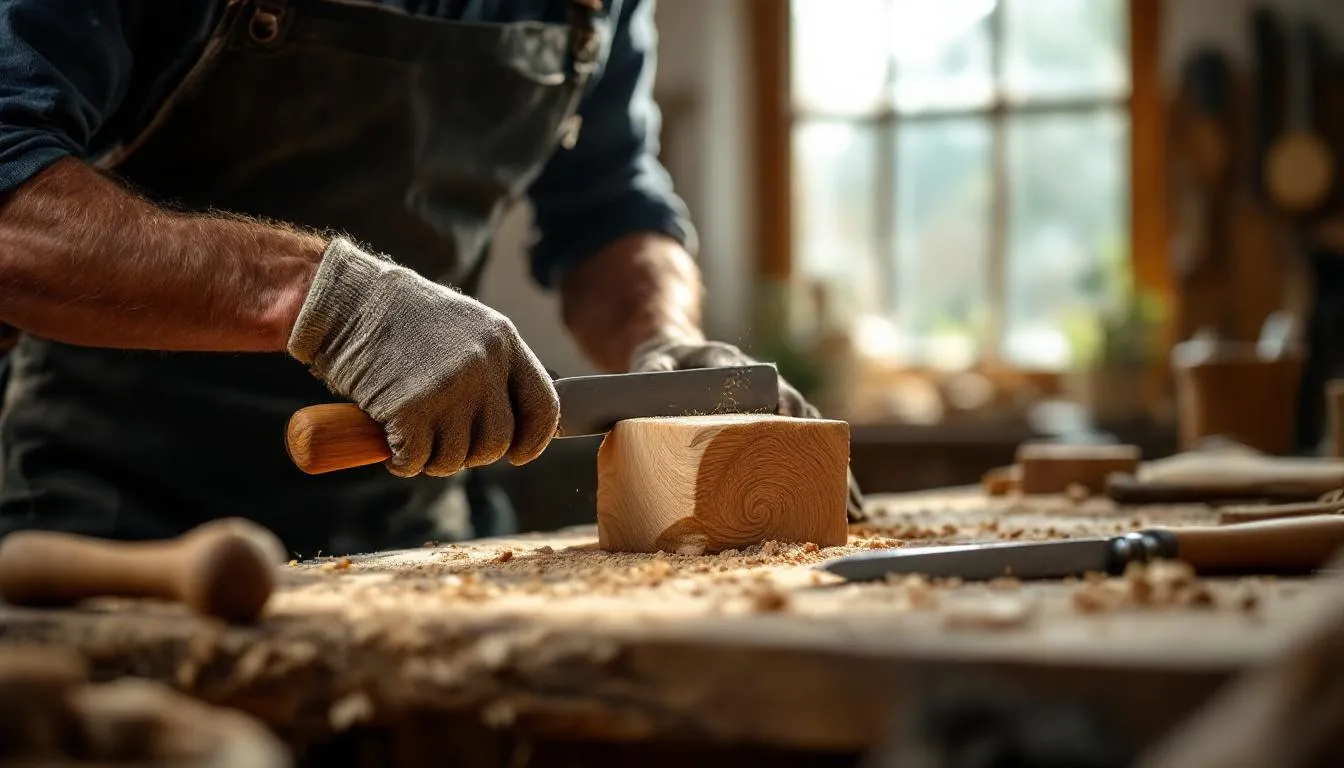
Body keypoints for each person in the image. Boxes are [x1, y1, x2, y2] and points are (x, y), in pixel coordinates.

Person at [0, 0, 861, 557]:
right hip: (113, 522)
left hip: (411, 520)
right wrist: (325, 301)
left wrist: (662, 338)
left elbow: (608, 207)